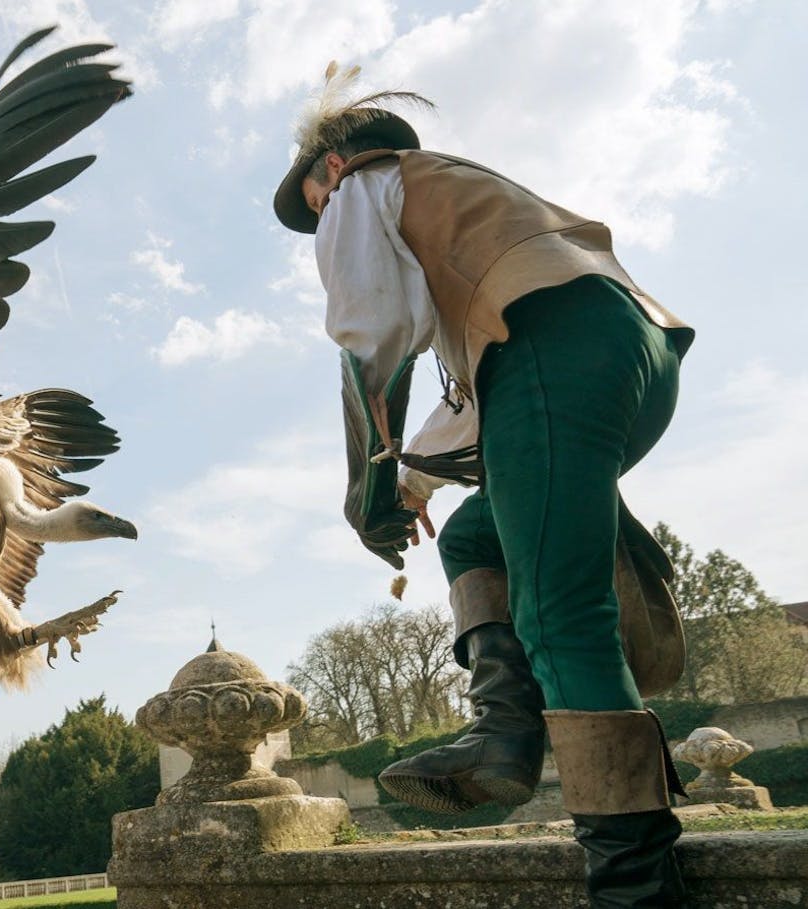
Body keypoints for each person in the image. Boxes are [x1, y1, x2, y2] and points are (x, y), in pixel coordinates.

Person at [273, 64, 694, 907]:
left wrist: (370, 484)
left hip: (558, 353)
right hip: (634, 355)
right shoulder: (459, 202)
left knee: (560, 612)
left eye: (312, 202)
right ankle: (504, 732)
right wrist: (419, 485)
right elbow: (487, 404)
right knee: (475, 537)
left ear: (329, 169)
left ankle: (634, 881)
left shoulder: (363, 186)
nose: (318, 217)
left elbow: (368, 334)